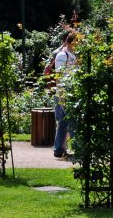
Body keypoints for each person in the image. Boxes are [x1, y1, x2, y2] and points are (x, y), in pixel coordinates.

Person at [44, 29, 78, 158]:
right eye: (76, 43)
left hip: (69, 92)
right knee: (73, 121)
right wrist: (62, 95)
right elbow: (59, 76)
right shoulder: (62, 55)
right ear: (70, 42)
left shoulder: (72, 55)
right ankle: (77, 148)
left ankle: (58, 149)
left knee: (64, 122)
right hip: (63, 93)